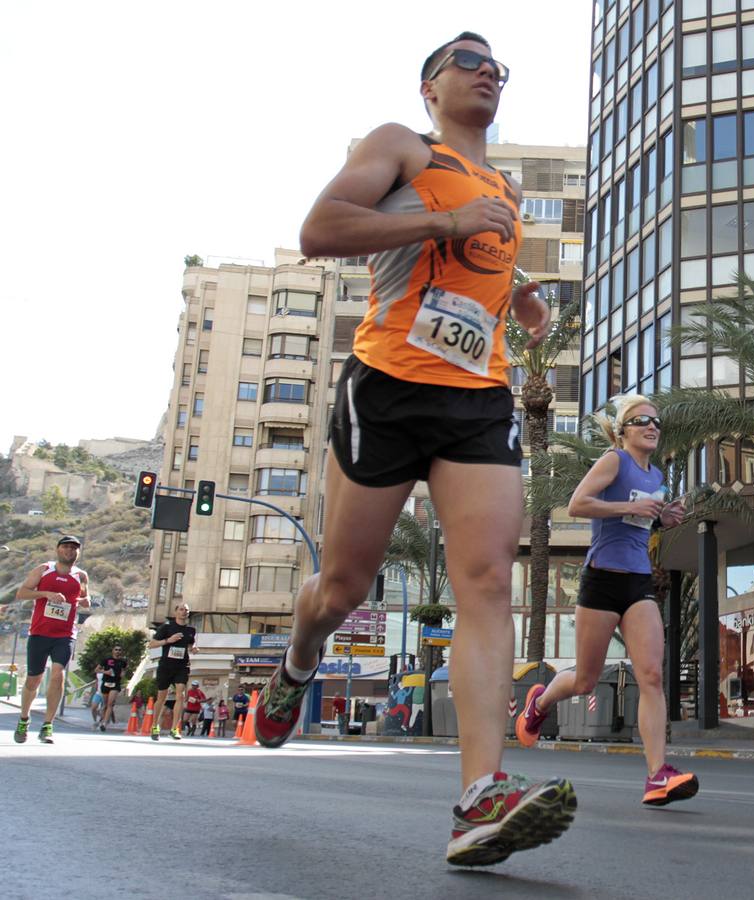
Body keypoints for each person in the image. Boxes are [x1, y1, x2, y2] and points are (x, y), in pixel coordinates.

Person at [261, 31, 574, 866]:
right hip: (388, 384)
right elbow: (320, 227)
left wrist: (525, 298)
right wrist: (446, 216)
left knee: (486, 581)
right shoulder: (401, 145)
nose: (487, 73)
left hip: (477, 397)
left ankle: (479, 798)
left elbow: (478, 271)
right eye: (468, 61)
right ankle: (297, 663)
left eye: (497, 67)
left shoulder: (504, 187)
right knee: (340, 587)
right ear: (430, 85)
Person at [514, 396, 697, 806]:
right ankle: (538, 702)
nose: (652, 426)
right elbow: (578, 504)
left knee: (651, 675)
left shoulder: (658, 475)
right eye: (641, 421)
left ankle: (656, 775)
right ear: (622, 430)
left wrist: (661, 518)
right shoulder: (614, 461)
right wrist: (631, 505)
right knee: (585, 680)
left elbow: (639, 521)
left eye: (656, 421)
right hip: (600, 581)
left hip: (638, 582)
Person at [12, 536, 90, 744]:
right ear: (58, 550)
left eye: (74, 548)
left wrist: (84, 601)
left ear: (78, 553)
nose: (70, 551)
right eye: (66, 547)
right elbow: (21, 593)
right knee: (33, 679)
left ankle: (47, 725)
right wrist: (47, 593)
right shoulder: (43, 569)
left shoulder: (81, 575)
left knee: (58, 675)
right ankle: (24, 719)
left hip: (65, 634)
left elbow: (85, 598)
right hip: (39, 633)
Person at [148, 603, 197, 740]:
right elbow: (152, 644)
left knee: (180, 694)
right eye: (181, 609)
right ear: (175, 612)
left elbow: (191, 643)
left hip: (182, 666)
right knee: (161, 697)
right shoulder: (167, 627)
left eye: (186, 610)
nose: (184, 612)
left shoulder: (191, 630)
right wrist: (168, 640)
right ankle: (154, 726)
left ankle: (175, 728)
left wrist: (193, 648)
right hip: (166, 665)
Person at [97, 645, 129, 732]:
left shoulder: (123, 662)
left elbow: (125, 669)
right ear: (113, 651)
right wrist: (105, 672)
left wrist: (123, 673)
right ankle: (102, 720)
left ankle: (104, 723)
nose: (118, 651)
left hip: (115, 684)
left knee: (110, 704)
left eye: (119, 650)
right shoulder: (106, 660)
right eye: (116, 650)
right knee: (105, 704)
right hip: (106, 683)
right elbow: (96, 670)